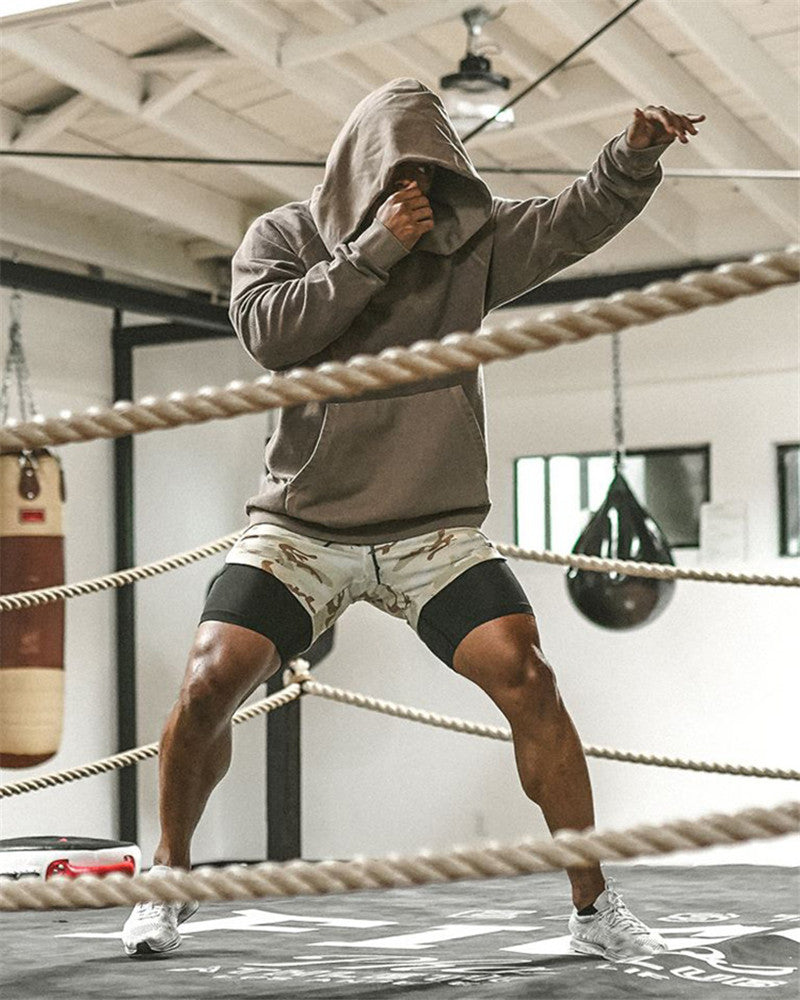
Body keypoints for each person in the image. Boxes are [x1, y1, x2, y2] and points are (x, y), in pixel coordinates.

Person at [122, 79, 705, 960]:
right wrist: (369, 254)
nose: (418, 190)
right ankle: (169, 880)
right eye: (400, 173)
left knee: (529, 677)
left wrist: (633, 157)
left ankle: (593, 907)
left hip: (433, 530)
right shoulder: (281, 235)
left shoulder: (470, 242)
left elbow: (571, 219)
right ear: (361, 169)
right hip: (303, 527)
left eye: (434, 172)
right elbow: (270, 335)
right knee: (209, 678)